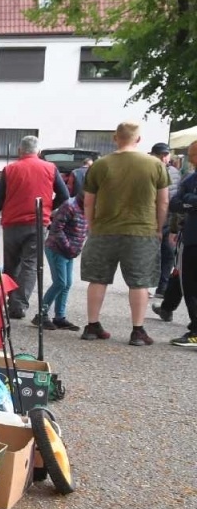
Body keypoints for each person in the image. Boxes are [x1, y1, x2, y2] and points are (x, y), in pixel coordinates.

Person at [79, 121, 171, 345]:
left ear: (115, 138)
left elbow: (88, 202)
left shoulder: (99, 165)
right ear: (138, 139)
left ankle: (92, 325)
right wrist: (159, 228)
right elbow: (163, 201)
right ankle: (137, 331)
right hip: (141, 230)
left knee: (98, 279)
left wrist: (91, 226)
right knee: (139, 282)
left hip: (104, 230)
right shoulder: (155, 164)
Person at [0, 136, 68, 320]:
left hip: (12, 223)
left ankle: (7, 301)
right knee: (30, 264)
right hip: (38, 223)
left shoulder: (10, 169)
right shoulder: (50, 168)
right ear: (38, 151)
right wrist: (49, 207)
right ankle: (19, 305)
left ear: (19, 151)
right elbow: (64, 195)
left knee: (11, 264)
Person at [155, 141, 197, 347]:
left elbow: (183, 201)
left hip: (193, 239)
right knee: (187, 283)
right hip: (190, 238)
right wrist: (191, 201)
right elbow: (175, 202)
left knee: (191, 285)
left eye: (192, 155)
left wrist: (189, 201)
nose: (190, 159)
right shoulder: (189, 178)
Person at [38, 184, 87, 330]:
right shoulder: (69, 206)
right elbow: (56, 229)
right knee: (60, 282)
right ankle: (41, 314)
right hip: (57, 249)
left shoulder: (88, 207)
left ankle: (59, 317)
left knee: (67, 284)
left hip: (69, 252)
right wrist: (69, 247)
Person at [151, 142, 181, 296]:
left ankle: (162, 286)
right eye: (161, 155)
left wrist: (175, 226)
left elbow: (176, 198)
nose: (164, 158)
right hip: (152, 220)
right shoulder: (150, 170)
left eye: (165, 154)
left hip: (168, 220)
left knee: (167, 254)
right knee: (154, 254)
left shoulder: (174, 172)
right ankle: (148, 285)